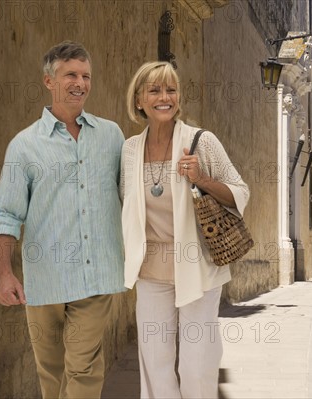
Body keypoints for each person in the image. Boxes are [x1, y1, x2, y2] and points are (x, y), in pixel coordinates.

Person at [0, 41, 125, 398]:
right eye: (70, 75)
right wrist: (5, 273)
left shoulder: (111, 136)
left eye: (85, 76)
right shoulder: (24, 146)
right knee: (50, 375)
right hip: (45, 279)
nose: (80, 83)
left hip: (96, 277)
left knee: (83, 368)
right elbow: (7, 214)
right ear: (49, 81)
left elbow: (132, 197)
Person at [120, 61, 250, 398]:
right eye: (155, 90)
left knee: (196, 365)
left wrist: (201, 179)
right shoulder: (130, 149)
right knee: (155, 363)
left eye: (171, 90)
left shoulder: (199, 141)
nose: (165, 97)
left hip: (198, 266)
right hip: (150, 269)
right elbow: (126, 206)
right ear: (139, 101)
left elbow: (240, 191)